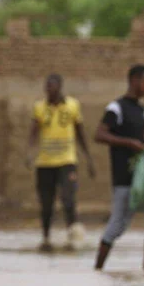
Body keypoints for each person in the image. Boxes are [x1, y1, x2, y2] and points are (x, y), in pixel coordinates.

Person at [93, 64, 144, 271]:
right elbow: (99, 135)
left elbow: (143, 139)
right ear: (134, 80)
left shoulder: (142, 111)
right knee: (118, 225)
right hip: (124, 178)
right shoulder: (116, 108)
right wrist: (128, 143)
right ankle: (98, 269)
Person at [26, 74, 95, 251]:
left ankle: (72, 236)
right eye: (47, 87)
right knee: (46, 204)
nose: (49, 89)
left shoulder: (72, 106)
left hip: (67, 160)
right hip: (45, 163)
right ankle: (46, 238)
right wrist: (29, 152)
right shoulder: (39, 107)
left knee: (68, 199)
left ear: (59, 87)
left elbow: (80, 133)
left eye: (52, 86)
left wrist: (88, 158)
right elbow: (33, 132)